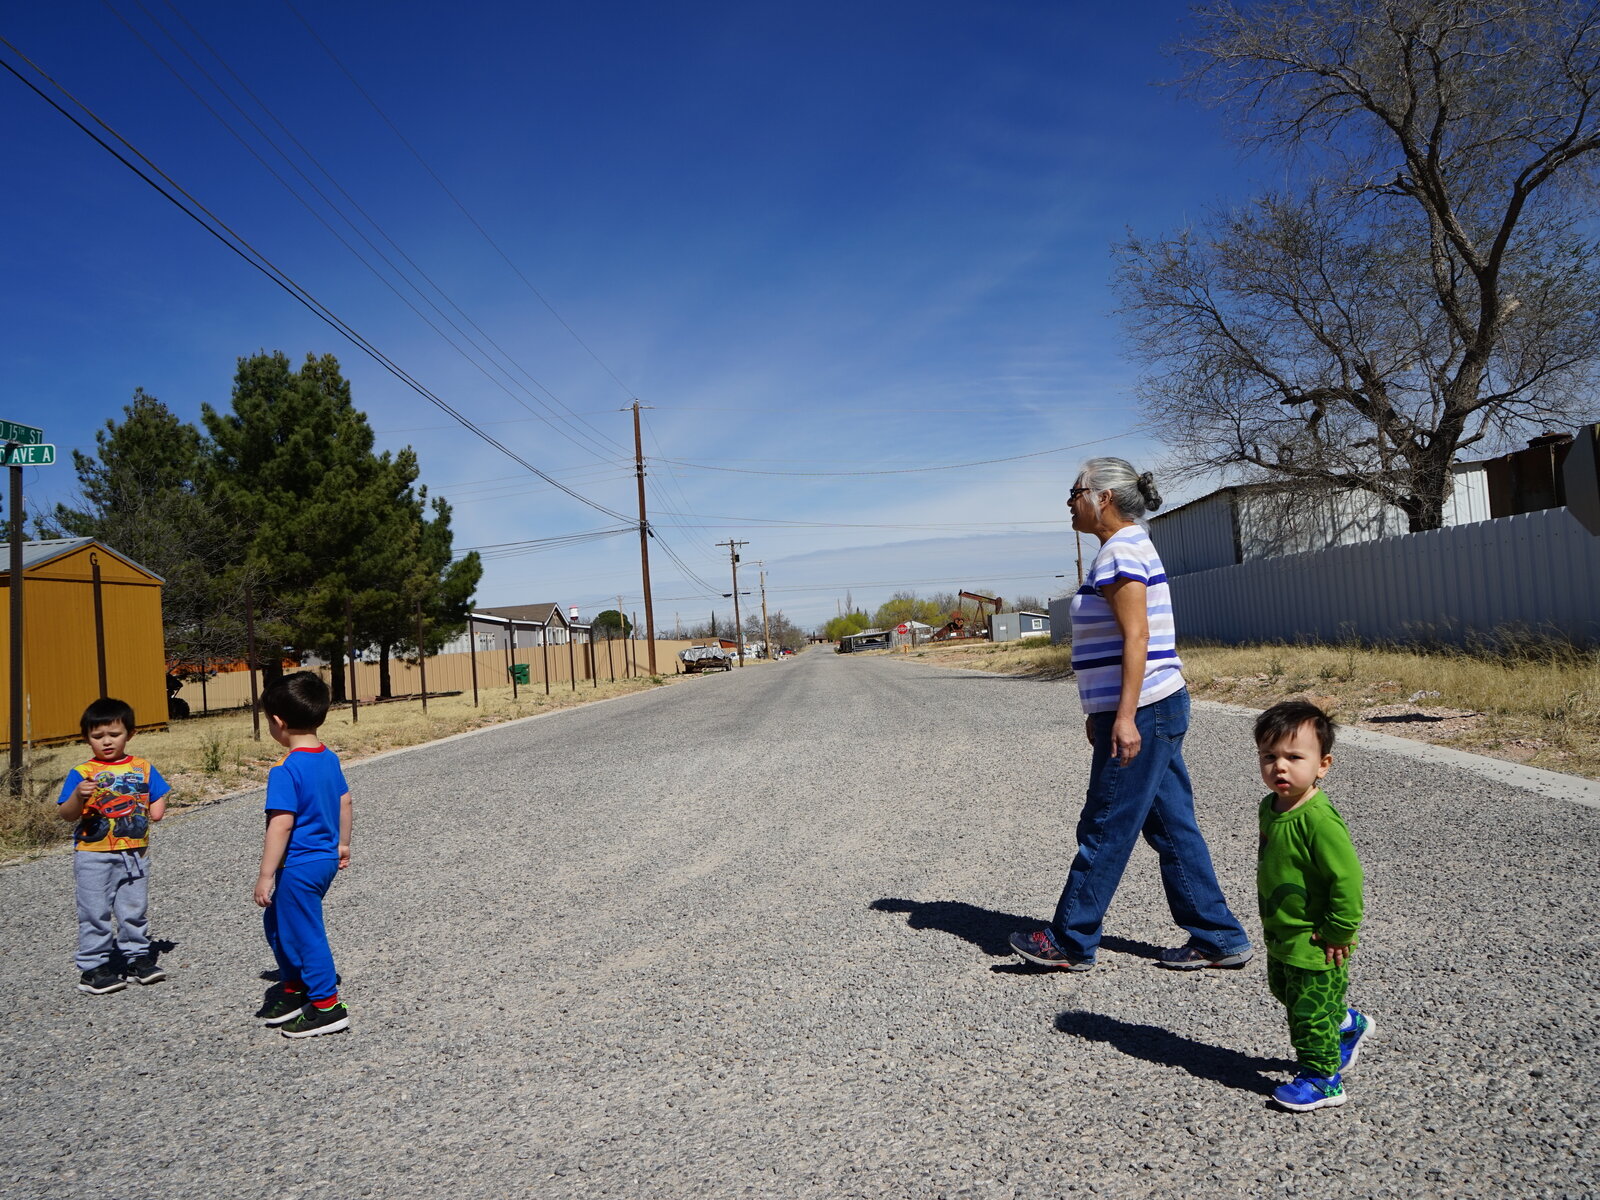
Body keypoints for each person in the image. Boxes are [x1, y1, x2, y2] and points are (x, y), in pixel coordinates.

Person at [1009, 458, 1253, 972]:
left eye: (1075, 491)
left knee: (1105, 823)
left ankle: (1070, 941)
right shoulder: (1124, 547)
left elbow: (1136, 637)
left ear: (1105, 498)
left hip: (1143, 710)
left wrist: (1122, 715)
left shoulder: (1120, 550)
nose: (1070, 502)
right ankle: (1219, 937)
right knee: (1171, 826)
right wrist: (1103, 709)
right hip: (1149, 707)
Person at [1254, 700, 1372, 1112]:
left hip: (1318, 939)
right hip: (1283, 931)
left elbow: (1347, 879)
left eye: (1293, 757)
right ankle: (1344, 1022)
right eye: (1270, 757)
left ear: (1323, 765)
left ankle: (1323, 1079)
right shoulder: (1270, 808)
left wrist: (1340, 928)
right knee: (1283, 990)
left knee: (1307, 1015)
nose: (1280, 767)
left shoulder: (1320, 820)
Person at [253, 671, 354, 1039]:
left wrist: (266, 875)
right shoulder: (328, 757)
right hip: (324, 859)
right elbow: (345, 800)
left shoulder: (285, 769)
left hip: (299, 865)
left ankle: (327, 1005)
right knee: (279, 924)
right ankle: (296, 986)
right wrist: (343, 844)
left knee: (306, 931)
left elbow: (280, 825)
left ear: (278, 723)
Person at [57, 698, 171, 994]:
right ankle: (93, 967)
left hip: (134, 852)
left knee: (134, 907)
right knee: (95, 910)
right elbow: (67, 814)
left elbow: (158, 792)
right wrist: (78, 797)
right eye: (97, 737)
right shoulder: (81, 773)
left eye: (114, 734)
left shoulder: (142, 767)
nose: (106, 742)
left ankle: (137, 958)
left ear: (130, 734)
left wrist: (158, 806)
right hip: (93, 854)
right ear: (86, 738)